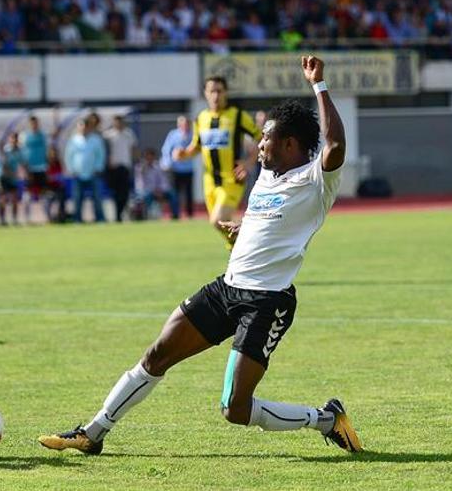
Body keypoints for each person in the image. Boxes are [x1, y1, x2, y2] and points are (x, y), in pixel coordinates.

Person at [38, 56, 363, 455]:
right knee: (157, 353)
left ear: (290, 144)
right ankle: (92, 432)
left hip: (266, 302)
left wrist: (319, 85)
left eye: (265, 138)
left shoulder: (316, 179)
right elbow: (271, 218)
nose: (258, 145)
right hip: (227, 289)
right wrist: (245, 229)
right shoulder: (265, 176)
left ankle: (328, 419)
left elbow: (335, 144)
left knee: (235, 408)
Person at [174, 76, 261, 249]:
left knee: (217, 220)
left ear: (226, 93)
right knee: (224, 224)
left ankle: (249, 247)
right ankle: (240, 252)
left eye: (219, 91)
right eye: (211, 91)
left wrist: (248, 163)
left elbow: (262, 139)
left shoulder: (237, 116)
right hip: (210, 182)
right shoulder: (201, 119)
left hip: (232, 179)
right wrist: (182, 154)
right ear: (205, 94)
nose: (215, 95)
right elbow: (197, 146)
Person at [64, 117, 106, 223]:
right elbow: (68, 156)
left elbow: (100, 155)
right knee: (77, 198)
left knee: (97, 197)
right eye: (81, 126)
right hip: (77, 175)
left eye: (85, 126)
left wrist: (98, 168)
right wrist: (71, 170)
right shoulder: (73, 140)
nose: (83, 129)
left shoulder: (96, 139)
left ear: (89, 128)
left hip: (93, 174)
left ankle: (100, 219)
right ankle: (77, 219)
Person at [160, 116, 197, 219]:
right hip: (175, 169)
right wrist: (167, 162)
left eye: (186, 124)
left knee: (189, 193)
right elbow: (166, 149)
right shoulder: (173, 134)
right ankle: (175, 213)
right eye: (182, 124)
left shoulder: (193, 134)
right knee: (175, 193)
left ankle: (190, 214)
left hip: (188, 168)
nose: (184, 126)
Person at [103, 115, 138, 223]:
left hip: (125, 166)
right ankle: (117, 215)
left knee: (124, 193)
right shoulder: (108, 135)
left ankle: (119, 214)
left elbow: (133, 149)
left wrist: (135, 162)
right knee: (115, 193)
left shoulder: (129, 134)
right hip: (113, 168)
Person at [20, 115, 51, 224]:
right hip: (30, 169)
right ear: (29, 124)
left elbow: (47, 151)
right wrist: (24, 169)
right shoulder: (25, 137)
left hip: (41, 168)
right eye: (32, 123)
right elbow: (22, 154)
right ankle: (26, 218)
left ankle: (47, 217)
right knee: (27, 194)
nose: (34, 125)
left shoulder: (43, 135)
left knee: (44, 193)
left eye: (36, 123)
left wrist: (47, 167)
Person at [133, 148, 178, 220]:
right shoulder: (140, 168)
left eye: (151, 157)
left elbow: (163, 181)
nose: (149, 159)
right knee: (145, 197)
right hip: (146, 192)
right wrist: (153, 191)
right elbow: (139, 184)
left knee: (173, 194)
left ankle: (175, 216)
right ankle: (142, 217)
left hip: (159, 191)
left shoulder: (158, 167)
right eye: (147, 157)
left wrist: (160, 190)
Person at [0, 132, 25, 226]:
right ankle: (2, 220)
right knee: (2, 199)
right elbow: (3, 166)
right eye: (12, 138)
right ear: (9, 139)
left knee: (15, 199)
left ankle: (14, 219)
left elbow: (22, 163)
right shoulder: (5, 151)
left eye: (16, 139)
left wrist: (23, 174)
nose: (14, 140)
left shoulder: (19, 151)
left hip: (12, 177)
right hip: (0, 176)